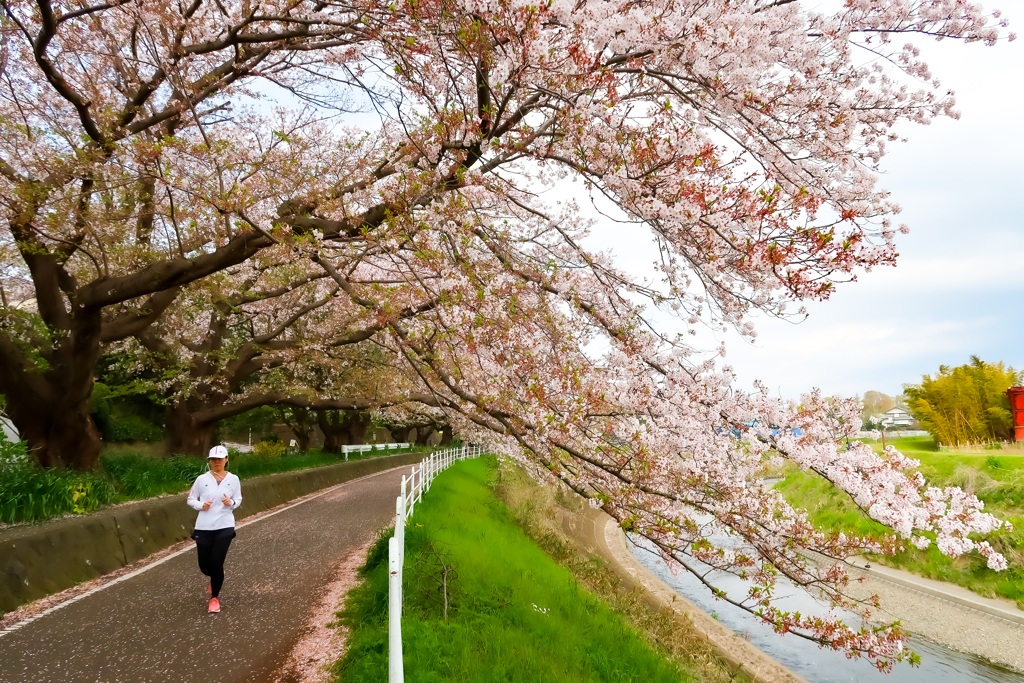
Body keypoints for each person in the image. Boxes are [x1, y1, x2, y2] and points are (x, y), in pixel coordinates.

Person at [187, 445, 242, 613]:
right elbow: (190, 499)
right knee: (205, 566)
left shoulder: (233, 479)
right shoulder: (201, 479)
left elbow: (238, 499)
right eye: (213, 459)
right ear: (210, 461)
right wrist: (200, 505)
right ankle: (217, 574)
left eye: (220, 459)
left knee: (216, 562)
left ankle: (214, 599)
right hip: (203, 526)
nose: (217, 462)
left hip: (224, 525)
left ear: (226, 460)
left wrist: (231, 503)